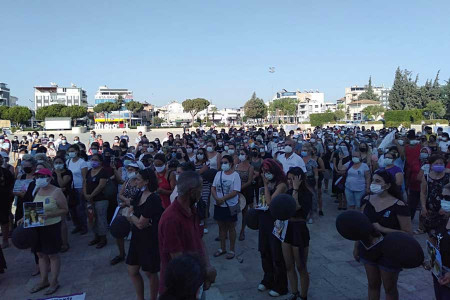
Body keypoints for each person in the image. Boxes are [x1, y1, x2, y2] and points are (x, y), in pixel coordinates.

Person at [354, 169, 412, 300]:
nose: (373, 183)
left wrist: (383, 229)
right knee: (372, 284)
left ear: (387, 185)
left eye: (377, 181)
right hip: (368, 248)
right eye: (373, 180)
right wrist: (356, 246)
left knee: (389, 288)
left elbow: (408, 234)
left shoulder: (399, 205)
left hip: (390, 252)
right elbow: (360, 225)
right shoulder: (366, 200)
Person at [158, 171, 217, 296]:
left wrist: (207, 267)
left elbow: (199, 240)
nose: (201, 193)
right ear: (192, 191)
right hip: (180, 287)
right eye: (200, 189)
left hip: (195, 281)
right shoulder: (171, 219)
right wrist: (203, 275)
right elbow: (179, 261)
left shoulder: (192, 210)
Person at [19, 168, 68, 296]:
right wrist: (24, 217)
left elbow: (64, 209)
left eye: (42, 176)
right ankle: (44, 280)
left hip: (51, 226)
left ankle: (54, 282)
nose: (39, 178)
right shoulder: (36, 189)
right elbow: (33, 207)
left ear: (49, 178)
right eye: (37, 176)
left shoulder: (57, 192)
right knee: (40, 254)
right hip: (36, 226)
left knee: (52, 254)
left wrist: (50, 214)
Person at [126, 169, 163, 300]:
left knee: (150, 272)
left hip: (149, 239)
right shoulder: (138, 195)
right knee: (132, 270)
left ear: (146, 181)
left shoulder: (153, 199)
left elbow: (141, 222)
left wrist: (131, 216)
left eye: (138, 179)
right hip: (137, 238)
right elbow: (131, 211)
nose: (135, 181)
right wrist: (133, 216)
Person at [258, 158, 288, 297]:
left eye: (268, 172)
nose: (265, 174)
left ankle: (280, 284)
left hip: (276, 221)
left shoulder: (281, 184)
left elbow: (270, 202)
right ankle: (268, 278)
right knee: (264, 250)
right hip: (265, 219)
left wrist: (265, 185)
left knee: (276, 253)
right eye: (263, 172)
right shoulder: (268, 182)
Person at [283, 167, 312, 300]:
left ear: (299, 178)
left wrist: (295, 189)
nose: (289, 181)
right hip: (287, 229)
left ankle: (303, 295)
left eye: (292, 179)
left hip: (299, 230)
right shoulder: (288, 192)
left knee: (301, 266)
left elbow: (295, 207)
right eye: (288, 179)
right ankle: (294, 292)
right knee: (289, 265)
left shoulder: (306, 193)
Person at [111, 162, 142, 265]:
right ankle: (121, 253)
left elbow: (141, 197)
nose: (129, 171)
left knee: (137, 234)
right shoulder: (127, 181)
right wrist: (126, 201)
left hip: (135, 210)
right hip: (125, 209)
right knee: (118, 229)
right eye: (128, 169)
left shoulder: (140, 182)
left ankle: (137, 254)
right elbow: (120, 194)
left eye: (132, 169)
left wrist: (128, 202)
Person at [211, 155, 241, 259]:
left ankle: (232, 250)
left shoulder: (235, 175)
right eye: (222, 162)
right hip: (219, 205)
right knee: (221, 227)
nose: (223, 164)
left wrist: (223, 198)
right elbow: (213, 188)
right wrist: (216, 198)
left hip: (230, 206)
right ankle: (222, 248)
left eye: (225, 162)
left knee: (231, 228)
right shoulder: (218, 174)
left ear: (231, 163)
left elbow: (235, 191)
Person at [420, 155, 450, 233]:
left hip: (445, 210)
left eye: (441, 164)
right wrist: (423, 207)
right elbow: (423, 192)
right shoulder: (426, 176)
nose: (439, 165)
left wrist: (446, 206)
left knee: (443, 233)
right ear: (431, 165)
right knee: (431, 233)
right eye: (436, 163)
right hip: (430, 211)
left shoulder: (448, 176)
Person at [84, 154, 109, 248]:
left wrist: (91, 195)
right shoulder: (89, 171)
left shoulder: (103, 171)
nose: (93, 161)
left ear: (100, 161)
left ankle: (103, 238)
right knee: (91, 217)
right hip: (90, 200)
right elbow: (85, 182)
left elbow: (101, 185)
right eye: (92, 159)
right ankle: (96, 236)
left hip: (100, 199)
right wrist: (86, 194)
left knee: (101, 218)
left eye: (95, 160)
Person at [52, 156, 73, 252]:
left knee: (62, 220)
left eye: (60, 162)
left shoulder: (67, 173)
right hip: (53, 196)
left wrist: (58, 174)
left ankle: (64, 243)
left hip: (64, 196)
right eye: (56, 162)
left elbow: (61, 184)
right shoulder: (52, 173)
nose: (58, 164)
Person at [66, 144, 88, 235]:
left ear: (77, 151)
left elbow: (84, 177)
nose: (71, 153)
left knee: (80, 209)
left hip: (79, 188)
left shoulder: (82, 162)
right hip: (71, 188)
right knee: (72, 209)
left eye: (73, 151)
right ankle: (77, 226)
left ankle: (83, 226)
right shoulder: (68, 162)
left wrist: (84, 189)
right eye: (69, 151)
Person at [235, 148, 254, 241]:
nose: (240, 155)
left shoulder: (250, 167)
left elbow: (249, 181)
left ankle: (242, 231)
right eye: (240, 153)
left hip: (245, 190)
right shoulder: (236, 166)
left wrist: (239, 188)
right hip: (236, 190)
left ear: (246, 156)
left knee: (244, 212)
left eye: (242, 154)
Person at [0, 154, 14, 249]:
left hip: (3, 199)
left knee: (4, 220)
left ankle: (5, 241)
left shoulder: (5, 172)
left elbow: (11, 184)